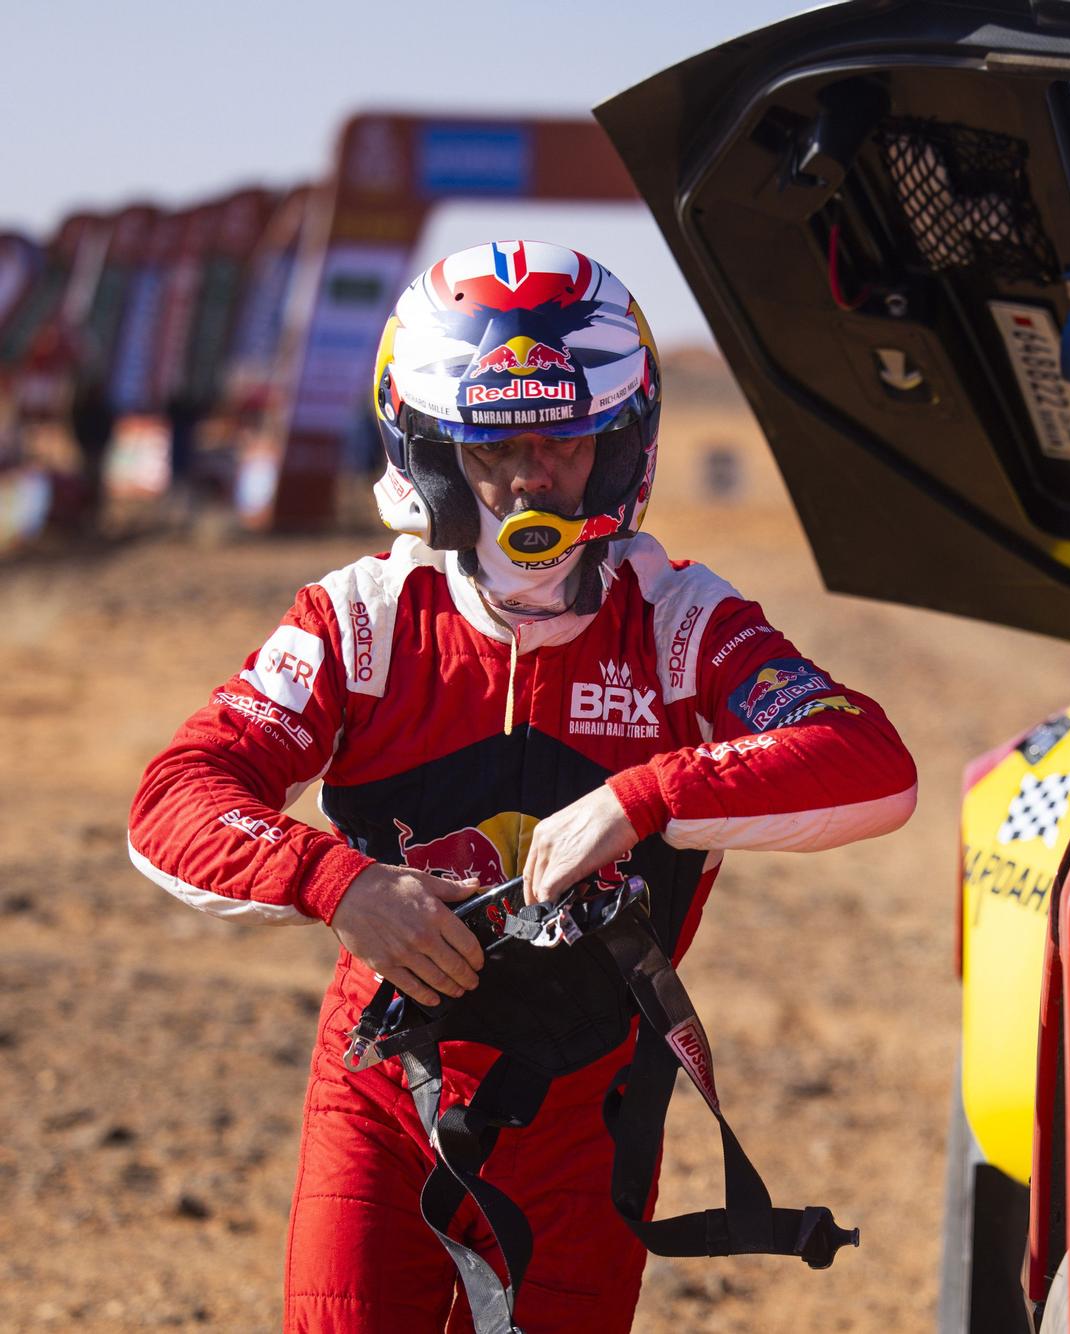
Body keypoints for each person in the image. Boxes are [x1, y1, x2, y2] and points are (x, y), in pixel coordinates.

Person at [127, 240, 919, 1331]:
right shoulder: (360, 614)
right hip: (383, 1090)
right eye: (493, 445)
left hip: (586, 1106)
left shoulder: (679, 616)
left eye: (566, 439)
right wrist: (340, 883)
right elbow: (174, 794)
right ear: (432, 454)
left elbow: (870, 760)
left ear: (622, 443)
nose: (531, 477)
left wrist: (644, 794)